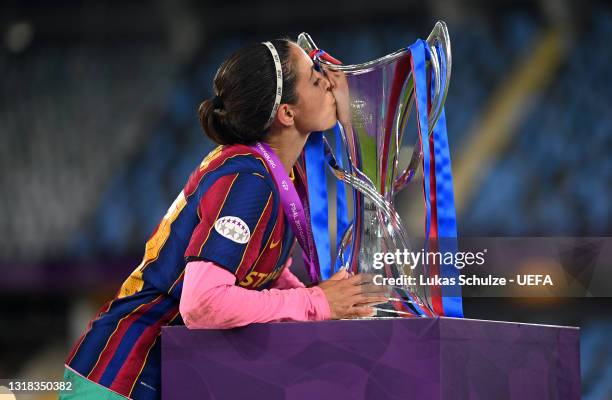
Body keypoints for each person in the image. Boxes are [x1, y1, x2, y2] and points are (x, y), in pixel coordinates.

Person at [60, 38, 387, 400]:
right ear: (287, 114)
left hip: (160, 375)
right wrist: (316, 303)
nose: (328, 80)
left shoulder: (280, 175)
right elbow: (203, 303)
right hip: (120, 374)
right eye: (314, 79)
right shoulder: (248, 180)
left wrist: (329, 305)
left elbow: (259, 280)